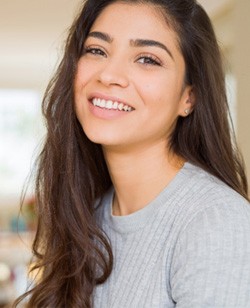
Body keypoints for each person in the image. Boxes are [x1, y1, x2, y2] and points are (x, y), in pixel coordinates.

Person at [15, 0, 250, 307]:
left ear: (188, 98)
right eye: (97, 50)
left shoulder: (214, 221)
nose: (109, 75)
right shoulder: (89, 214)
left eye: (148, 59)